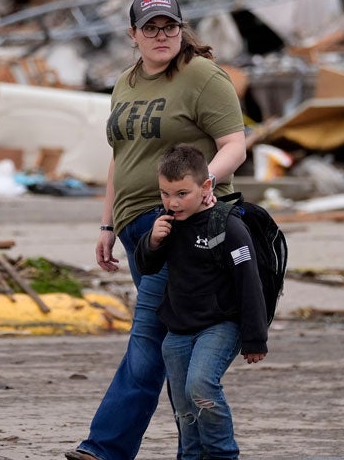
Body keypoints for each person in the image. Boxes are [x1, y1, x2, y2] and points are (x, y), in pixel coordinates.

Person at [67, 0, 247, 460]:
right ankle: (198, 452)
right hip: (137, 231)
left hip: (180, 225)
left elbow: (235, 145)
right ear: (133, 36)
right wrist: (107, 226)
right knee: (173, 345)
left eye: (170, 26)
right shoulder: (125, 82)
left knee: (149, 337)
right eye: (151, 28)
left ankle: (105, 448)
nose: (161, 35)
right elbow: (120, 159)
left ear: (182, 30)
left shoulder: (201, 76)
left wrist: (204, 183)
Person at [135, 144, 267, 460]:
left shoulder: (226, 226)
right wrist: (152, 241)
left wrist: (254, 338)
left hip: (220, 325)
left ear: (206, 186)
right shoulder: (168, 222)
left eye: (182, 193)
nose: (172, 202)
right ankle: (191, 456)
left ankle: (223, 454)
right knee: (183, 406)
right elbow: (147, 267)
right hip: (178, 331)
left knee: (201, 388)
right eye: (165, 194)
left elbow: (249, 281)